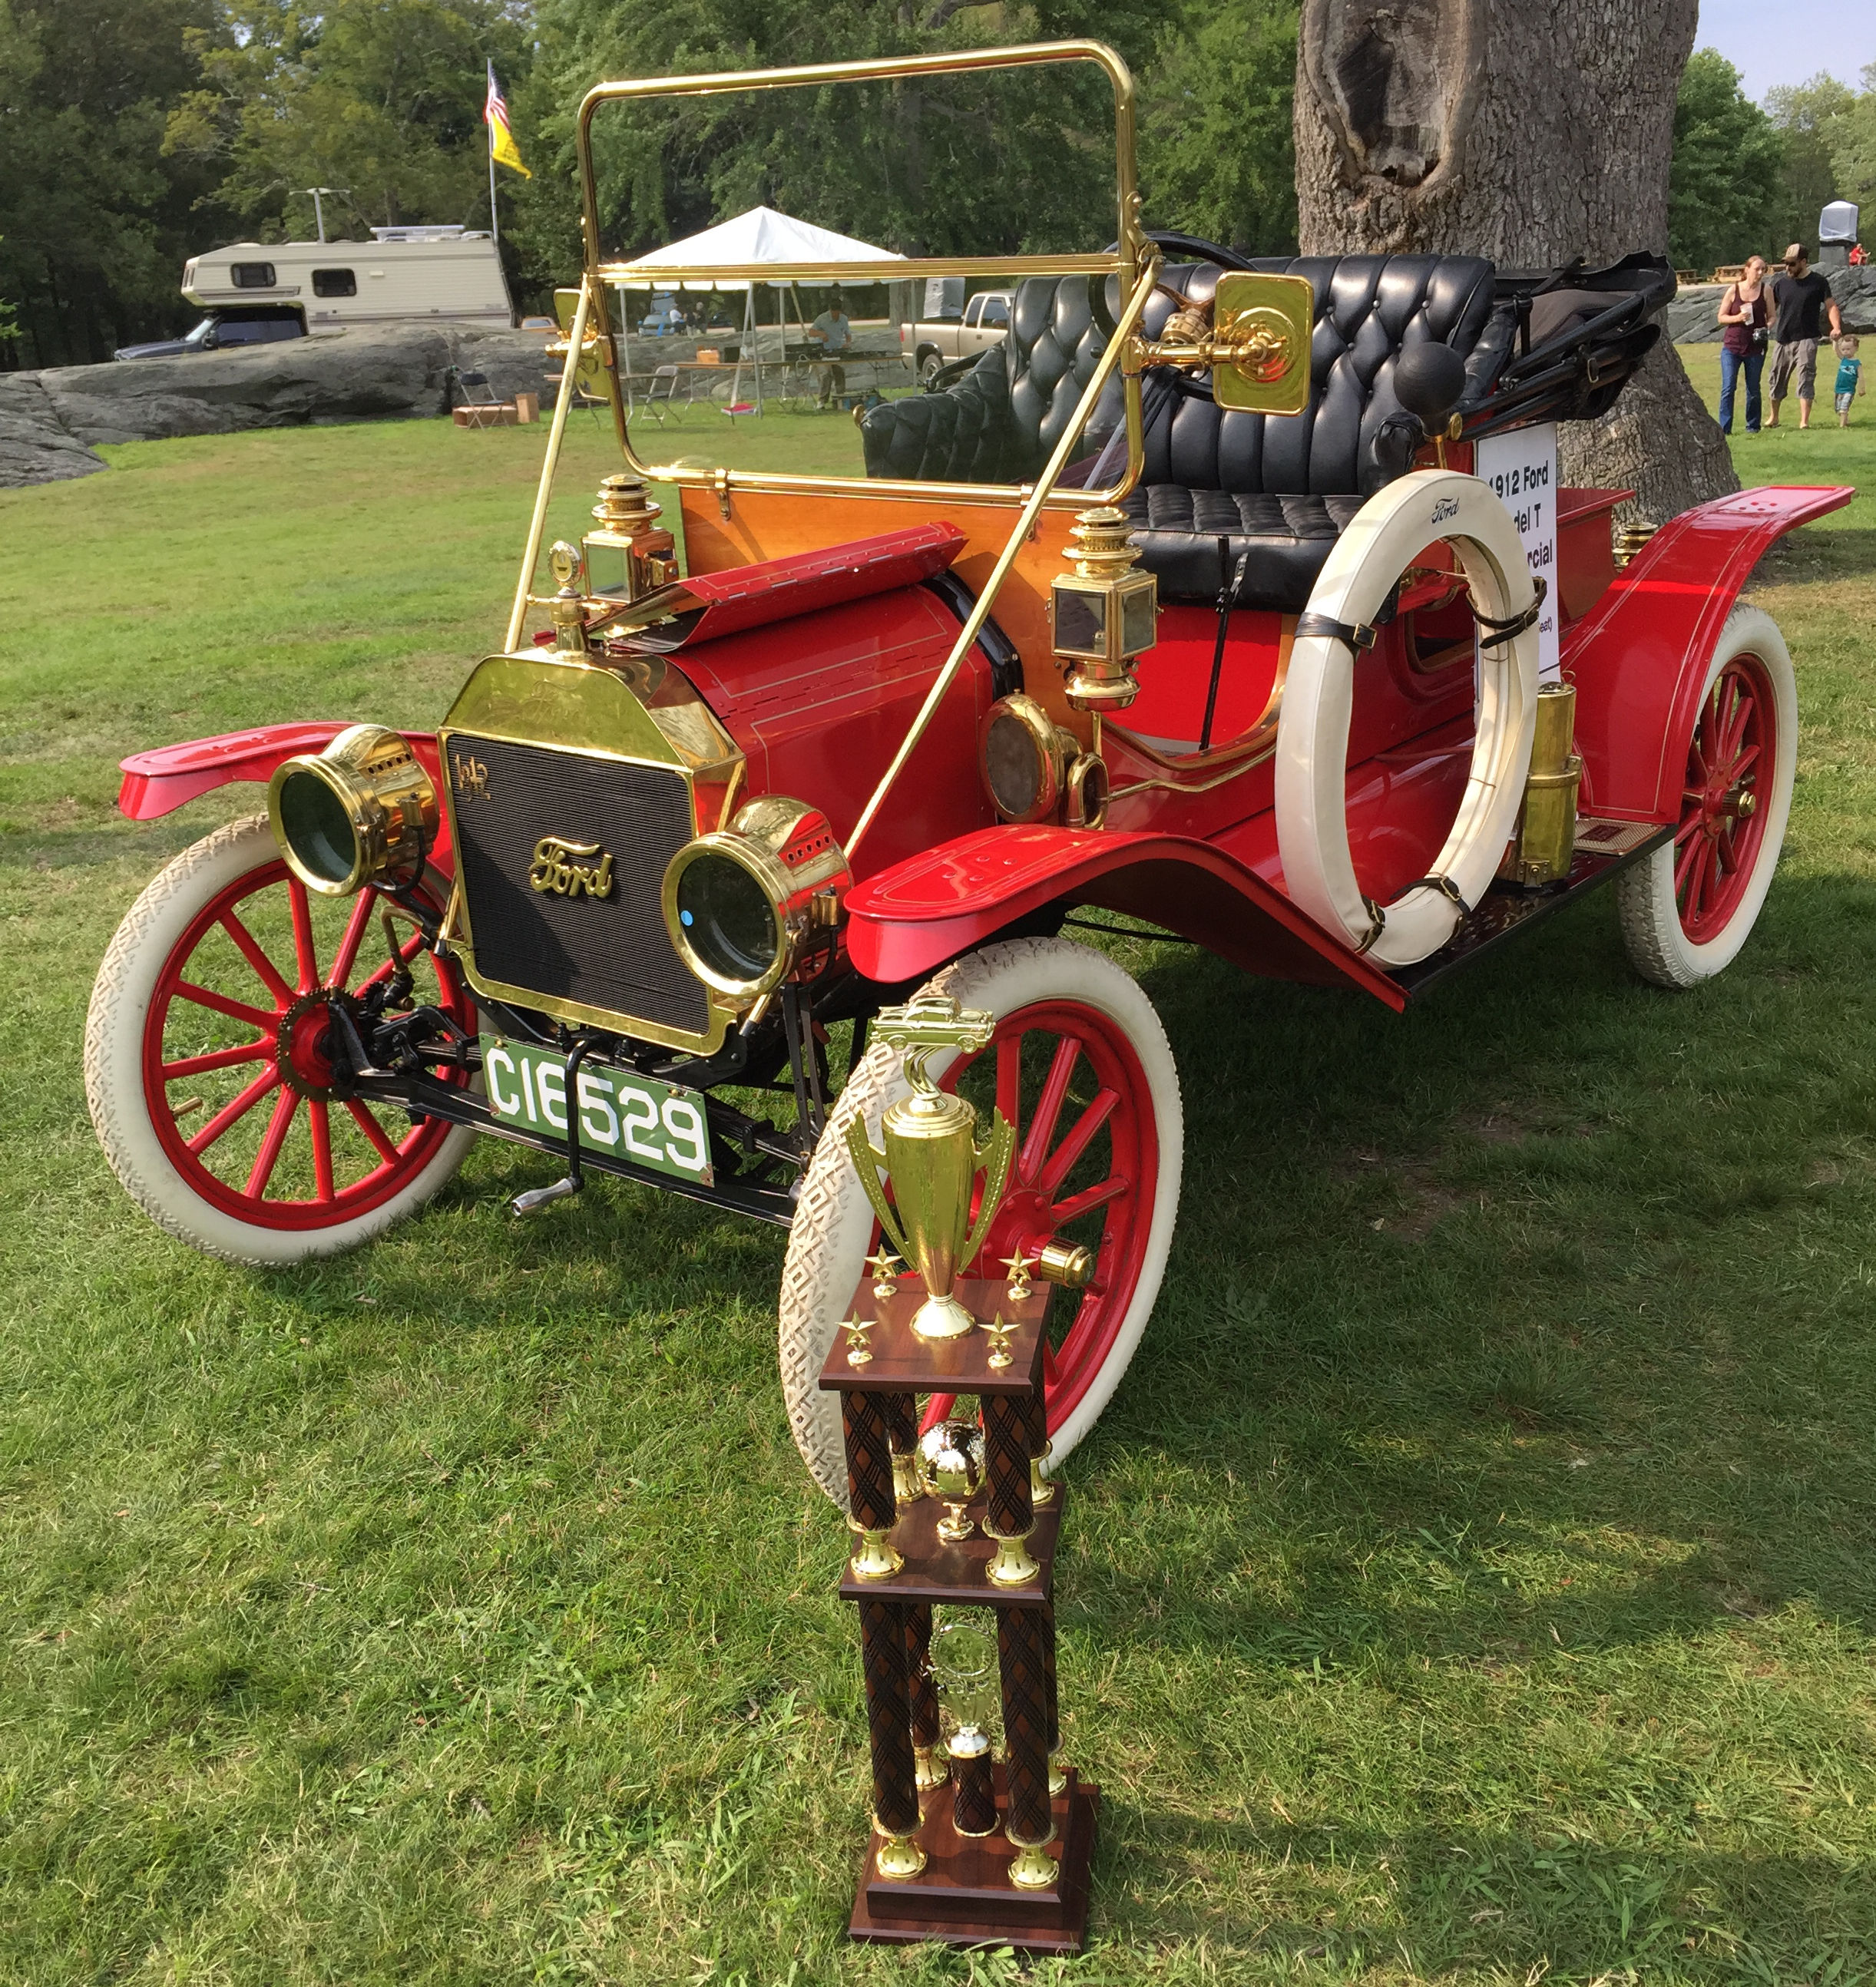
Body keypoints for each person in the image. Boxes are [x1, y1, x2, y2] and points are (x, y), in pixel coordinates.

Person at [1766, 243, 1844, 431]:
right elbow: (1771, 309)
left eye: (1792, 264)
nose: (1788, 268)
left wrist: (1836, 327)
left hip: (1808, 338)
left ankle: (1804, 421)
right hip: (1784, 338)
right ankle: (1774, 417)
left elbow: (1831, 305)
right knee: (1776, 377)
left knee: (1806, 377)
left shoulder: (1818, 282)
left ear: (1803, 262)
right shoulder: (1781, 284)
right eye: (1786, 264)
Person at [1716, 253, 1770, 435]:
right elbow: (1721, 317)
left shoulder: (1766, 290)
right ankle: (1725, 428)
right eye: (1757, 269)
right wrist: (1738, 318)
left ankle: (1753, 427)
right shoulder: (1734, 290)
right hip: (1732, 347)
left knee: (1753, 388)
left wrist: (1766, 328)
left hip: (1755, 347)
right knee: (1729, 387)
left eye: (1764, 269)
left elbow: (1772, 316)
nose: (1761, 272)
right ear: (1747, 270)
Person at [809, 291, 853, 407]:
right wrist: (821, 334)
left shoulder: (844, 319)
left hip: (836, 351)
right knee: (826, 374)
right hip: (822, 353)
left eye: (837, 313)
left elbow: (848, 334)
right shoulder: (822, 319)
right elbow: (811, 332)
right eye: (834, 313)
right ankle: (822, 401)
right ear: (830, 311)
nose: (836, 316)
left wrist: (848, 343)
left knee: (839, 373)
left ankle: (840, 399)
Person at [1837, 335, 1864, 428]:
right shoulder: (1843, 359)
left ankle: (1842, 426)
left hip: (1849, 390)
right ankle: (1846, 420)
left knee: (1844, 408)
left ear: (1856, 348)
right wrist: (1835, 341)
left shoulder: (1857, 363)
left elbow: (1861, 377)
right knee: (1838, 409)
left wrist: (1862, 389)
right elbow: (1836, 350)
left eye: (1848, 349)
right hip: (1839, 388)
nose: (1845, 351)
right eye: (1843, 349)